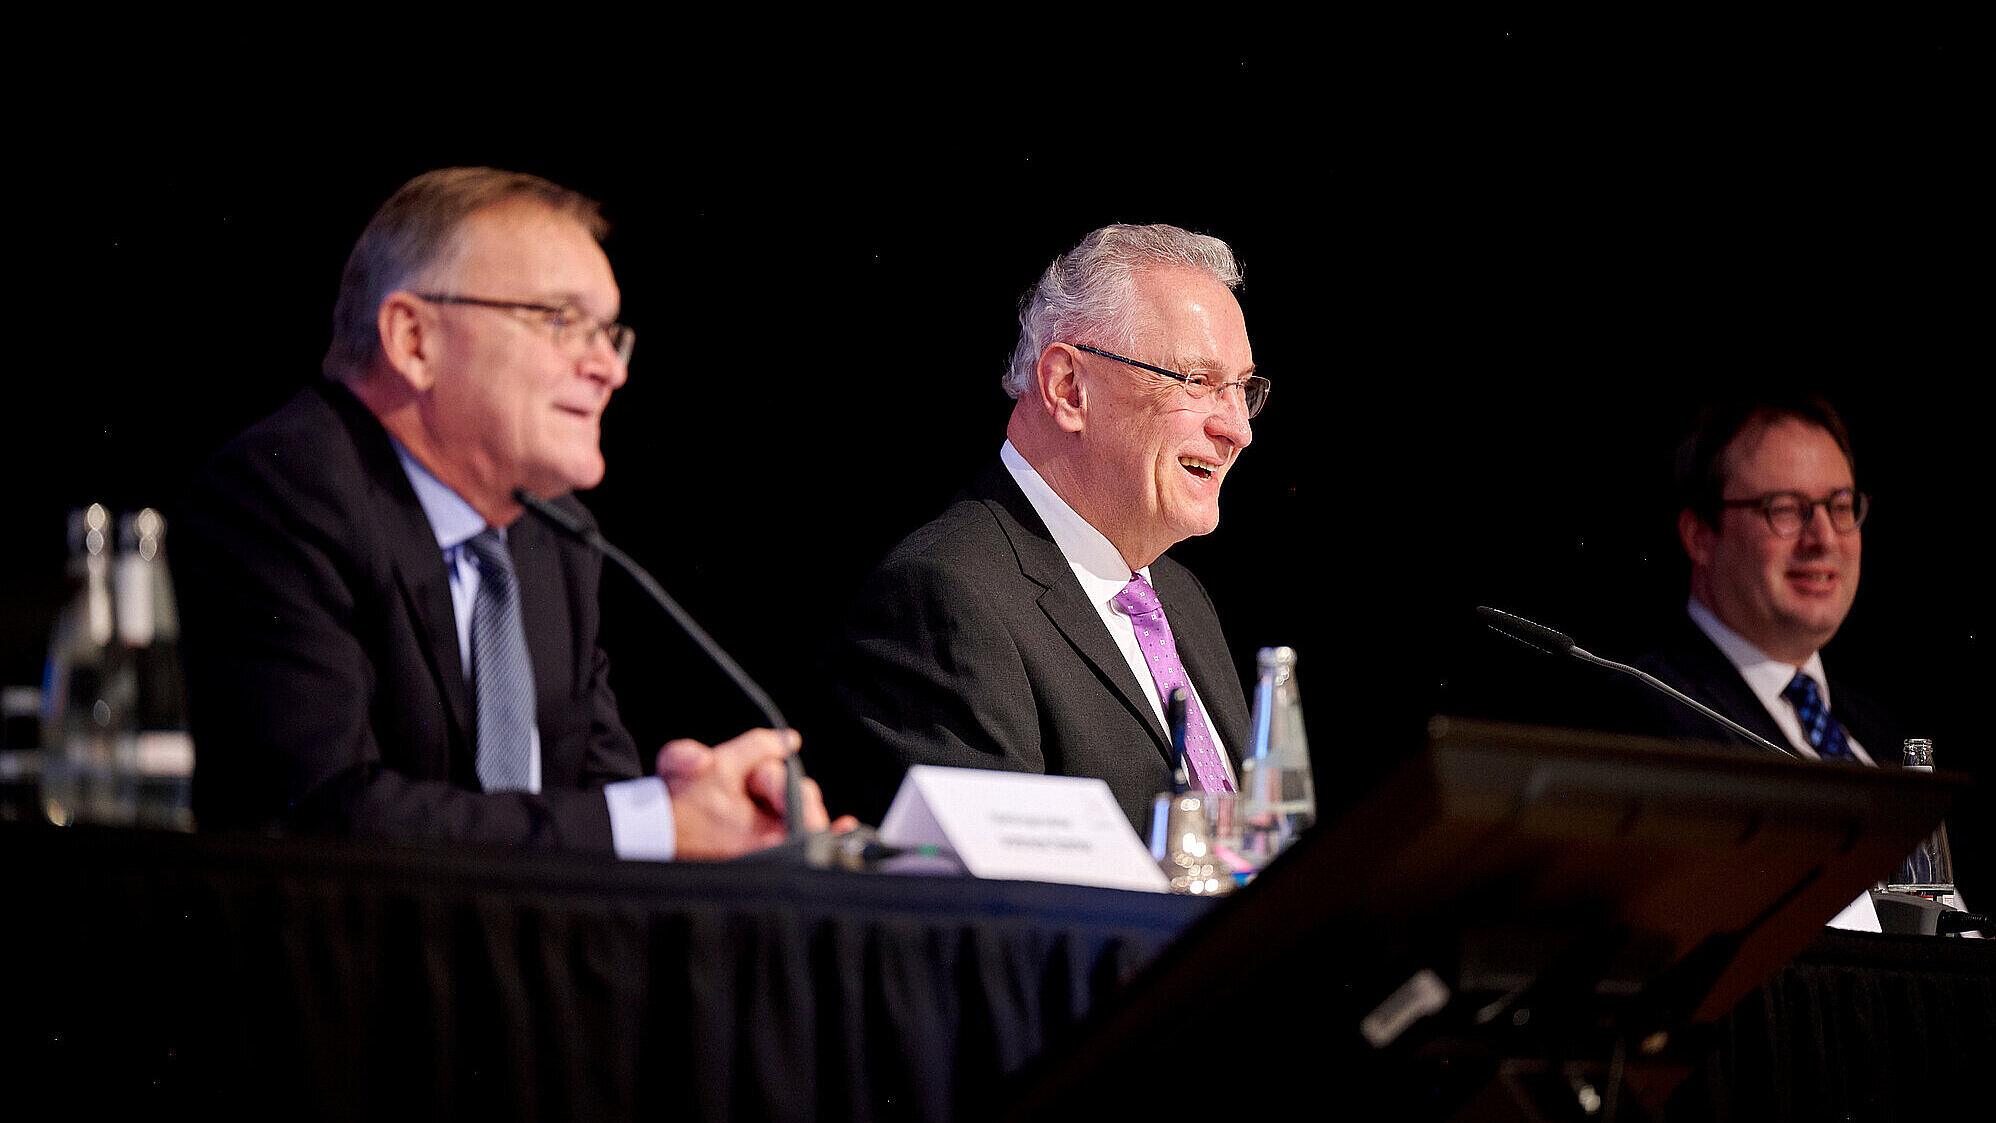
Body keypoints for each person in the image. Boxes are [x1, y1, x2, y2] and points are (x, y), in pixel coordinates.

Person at [173, 167, 841, 859]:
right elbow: (317, 816)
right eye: (560, 321)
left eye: (609, 333)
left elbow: (598, 817)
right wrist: (657, 823)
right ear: (413, 339)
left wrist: (738, 836)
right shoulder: (284, 494)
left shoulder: (558, 539)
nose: (608, 368)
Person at [816, 223, 1263, 832]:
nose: (1237, 429)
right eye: (1195, 381)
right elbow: (994, 904)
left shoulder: (1181, 599)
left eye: (1241, 389)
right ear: (1068, 388)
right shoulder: (945, 599)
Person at [1627, 393, 1899, 760]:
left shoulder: (1883, 731)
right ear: (1699, 536)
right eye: (1785, 508)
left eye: (1840, 506)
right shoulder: (1646, 716)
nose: (1824, 539)